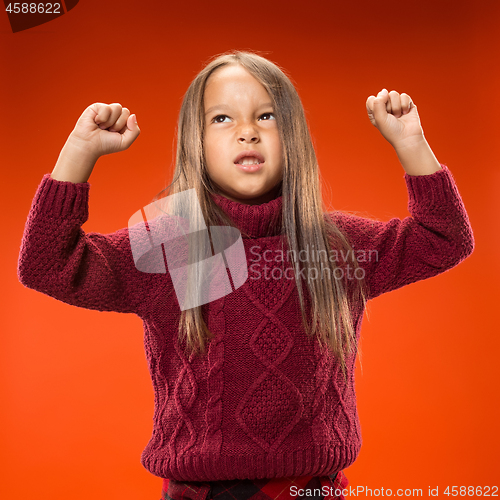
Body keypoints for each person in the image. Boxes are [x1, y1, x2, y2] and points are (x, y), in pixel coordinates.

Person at [17, 50, 474, 500]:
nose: (247, 133)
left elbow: (445, 239)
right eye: (222, 119)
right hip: (199, 493)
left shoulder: (334, 246)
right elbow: (47, 263)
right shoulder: (176, 244)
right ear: (195, 142)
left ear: (293, 137)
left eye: (267, 116)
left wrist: (411, 143)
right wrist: (78, 154)